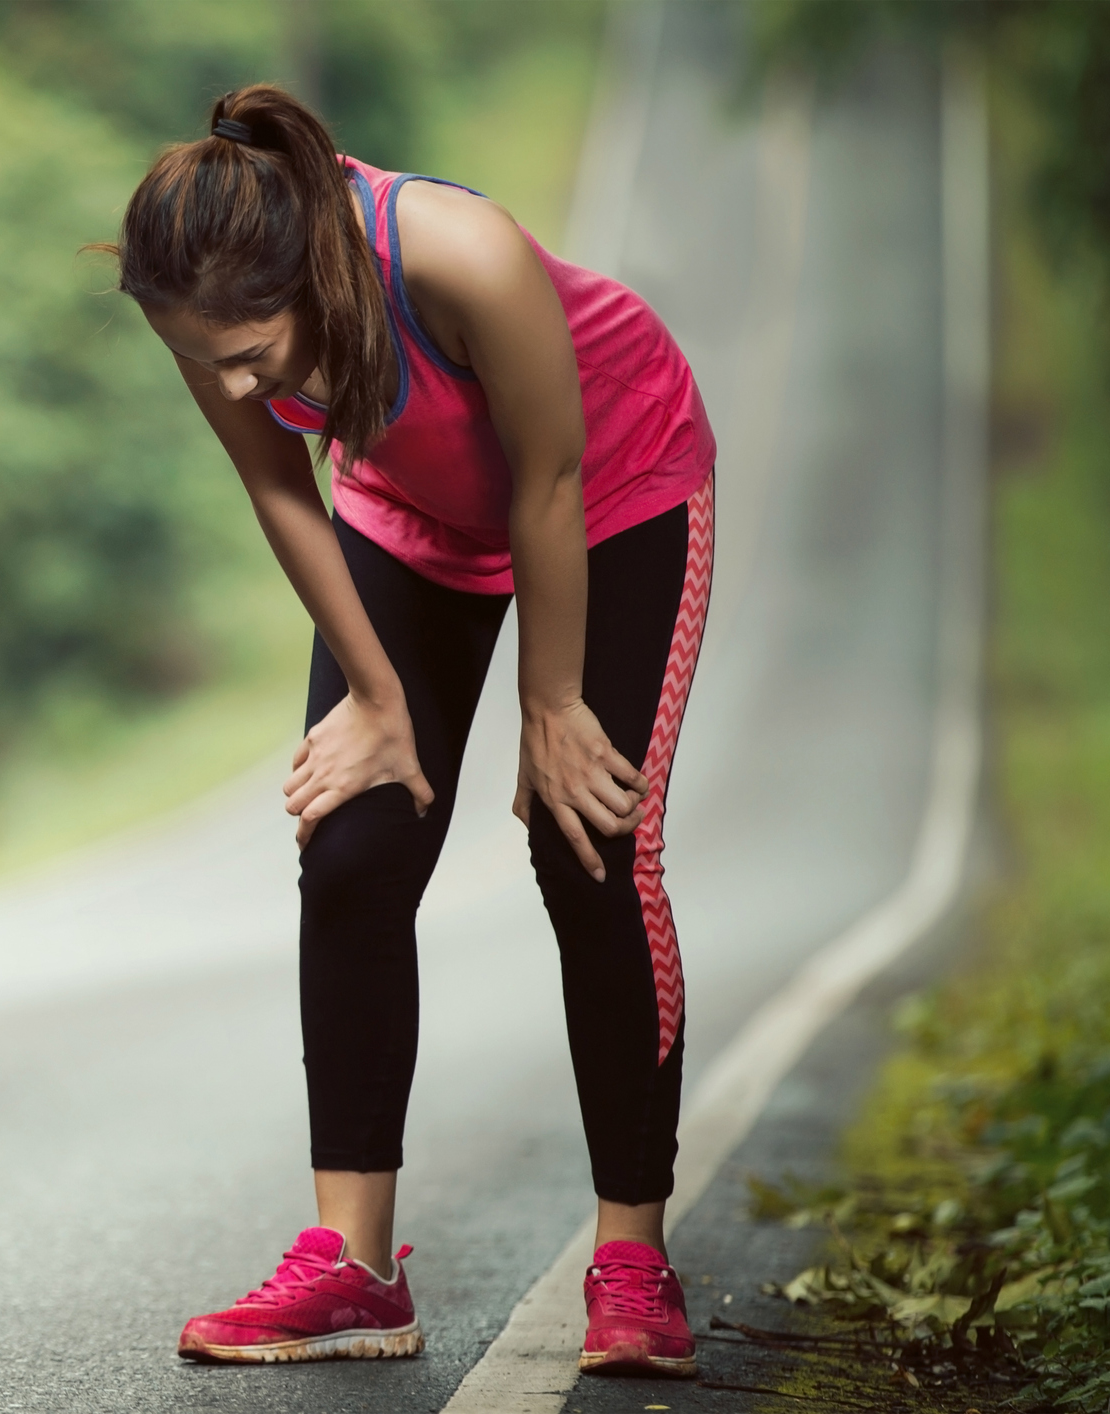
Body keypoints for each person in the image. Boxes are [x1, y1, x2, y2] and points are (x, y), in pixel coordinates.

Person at [96, 85, 716, 1378]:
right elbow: (282, 486)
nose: (227, 378)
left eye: (251, 350)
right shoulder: (198, 299)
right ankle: (353, 1271)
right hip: (406, 512)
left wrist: (550, 708)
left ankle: (631, 1261)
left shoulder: (456, 256)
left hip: (610, 486)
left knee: (585, 839)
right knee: (354, 844)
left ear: (310, 274)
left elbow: (546, 478)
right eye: (199, 355)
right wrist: (377, 701)